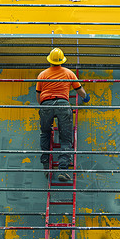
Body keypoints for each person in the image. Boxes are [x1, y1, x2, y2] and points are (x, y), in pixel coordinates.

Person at [36, 48, 90, 181]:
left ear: (50, 60)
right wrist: (86, 98)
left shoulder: (42, 75)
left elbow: (38, 96)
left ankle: (46, 167)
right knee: (65, 137)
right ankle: (63, 169)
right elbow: (79, 90)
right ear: (62, 60)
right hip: (63, 104)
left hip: (46, 104)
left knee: (45, 133)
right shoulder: (68, 73)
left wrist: (43, 106)